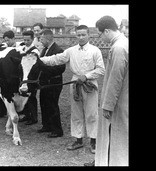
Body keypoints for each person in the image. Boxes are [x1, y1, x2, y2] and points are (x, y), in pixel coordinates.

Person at [40, 25, 105, 152]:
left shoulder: (95, 50)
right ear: (76, 35)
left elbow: (101, 69)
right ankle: (78, 140)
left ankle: (94, 141)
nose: (80, 37)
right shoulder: (71, 51)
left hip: (90, 85)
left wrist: (86, 76)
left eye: (83, 35)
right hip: (75, 84)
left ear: (88, 35)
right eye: (78, 35)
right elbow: (57, 59)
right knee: (76, 113)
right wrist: (39, 60)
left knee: (92, 113)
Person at [93, 15, 128, 166]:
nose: (100, 37)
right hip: (122, 98)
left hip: (120, 100)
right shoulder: (123, 43)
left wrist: (108, 105)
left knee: (116, 136)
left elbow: (115, 79)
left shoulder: (119, 47)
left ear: (106, 31)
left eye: (100, 34)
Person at [37, 29, 66, 138]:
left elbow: (61, 67)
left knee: (52, 105)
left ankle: (57, 130)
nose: (40, 41)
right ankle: (46, 125)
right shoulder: (44, 50)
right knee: (44, 103)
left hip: (54, 83)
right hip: (44, 83)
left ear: (48, 38)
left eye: (42, 38)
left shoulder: (58, 50)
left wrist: (44, 69)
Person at [18, 30, 40, 125]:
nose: (26, 42)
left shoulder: (35, 51)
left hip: (31, 76)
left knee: (31, 97)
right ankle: (27, 115)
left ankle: (33, 117)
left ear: (32, 39)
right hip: (23, 75)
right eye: (24, 40)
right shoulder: (22, 48)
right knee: (24, 96)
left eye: (28, 40)